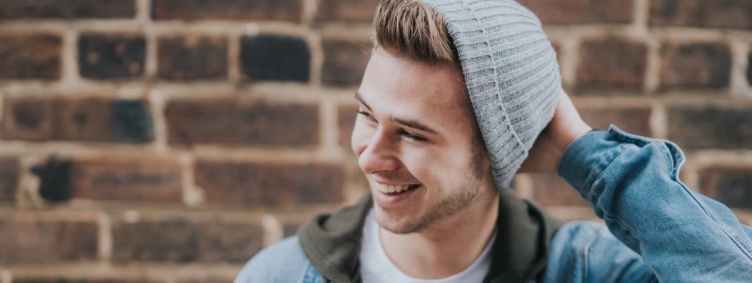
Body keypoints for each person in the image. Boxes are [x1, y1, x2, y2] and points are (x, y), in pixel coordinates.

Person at [235, 0, 752, 282]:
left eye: (413, 133)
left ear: (500, 151)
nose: (371, 156)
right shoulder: (280, 274)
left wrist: (583, 152)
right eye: (367, 115)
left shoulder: (589, 271)